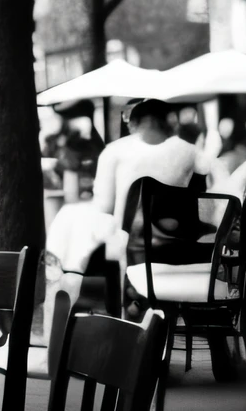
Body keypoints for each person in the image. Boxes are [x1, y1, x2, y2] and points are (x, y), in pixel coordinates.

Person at [46, 99, 198, 307]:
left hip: (134, 248)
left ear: (132, 123)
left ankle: (81, 303)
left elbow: (104, 207)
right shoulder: (190, 151)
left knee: (73, 227)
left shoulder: (115, 151)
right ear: (169, 121)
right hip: (184, 248)